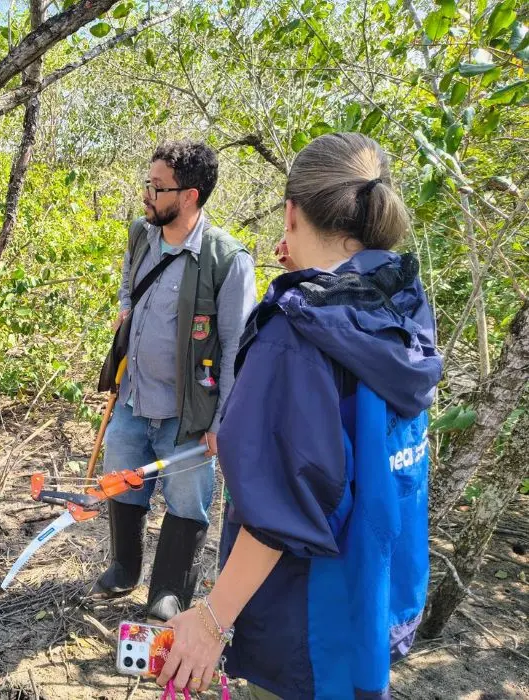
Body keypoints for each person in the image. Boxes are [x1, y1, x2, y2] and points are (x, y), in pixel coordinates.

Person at [154, 132, 444, 699]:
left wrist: (211, 620)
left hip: (307, 617)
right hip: (373, 592)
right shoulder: (400, 301)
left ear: (291, 212)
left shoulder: (295, 334)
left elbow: (283, 503)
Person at [91, 140, 256, 621]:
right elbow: (128, 286)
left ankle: (168, 590)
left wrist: (221, 423)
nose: (147, 194)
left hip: (190, 413)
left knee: (186, 499)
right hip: (132, 397)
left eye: (158, 187)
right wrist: (126, 310)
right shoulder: (141, 235)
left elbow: (236, 347)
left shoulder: (228, 260)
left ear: (189, 196)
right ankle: (124, 568)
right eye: (148, 183)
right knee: (121, 482)